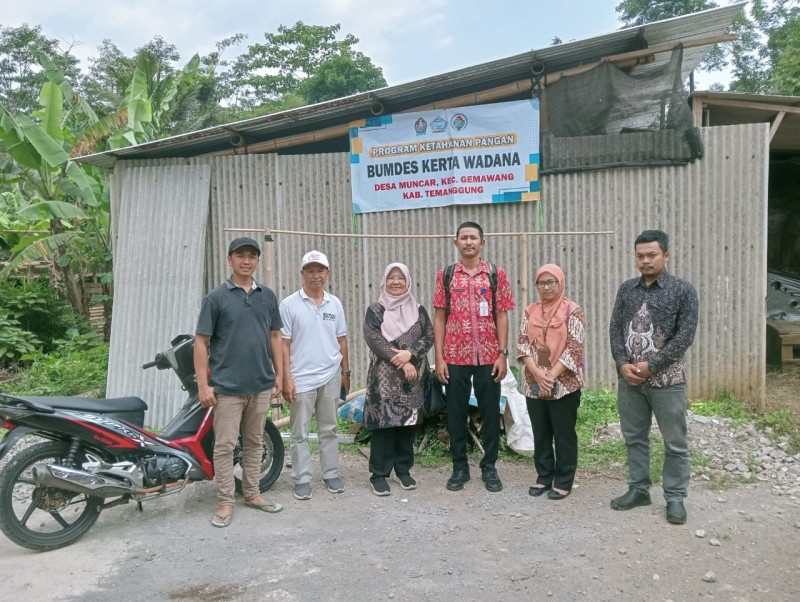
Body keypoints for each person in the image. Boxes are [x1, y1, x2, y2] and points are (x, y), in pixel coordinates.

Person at [609, 229, 699, 525]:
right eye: (640, 256)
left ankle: (675, 498)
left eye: (652, 255)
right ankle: (638, 490)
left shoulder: (683, 291)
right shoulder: (627, 290)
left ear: (666, 255)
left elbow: (685, 336)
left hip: (667, 381)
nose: (645, 261)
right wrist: (622, 364)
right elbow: (615, 328)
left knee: (675, 442)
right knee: (635, 438)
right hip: (630, 381)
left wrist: (653, 365)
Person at [194, 237, 284, 528]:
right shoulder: (216, 298)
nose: (247, 261)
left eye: (252, 256)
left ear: (257, 261)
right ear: (230, 260)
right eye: (240, 255)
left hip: (260, 383)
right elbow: (201, 341)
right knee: (225, 446)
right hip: (228, 387)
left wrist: (279, 375)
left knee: (255, 442)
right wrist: (203, 386)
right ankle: (225, 501)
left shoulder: (267, 296)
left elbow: (275, 336)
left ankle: (252, 494)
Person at [433, 221, 515, 492]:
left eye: (473, 237)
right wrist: (440, 357)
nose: (469, 242)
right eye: (464, 237)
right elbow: (440, 317)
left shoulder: (495, 274)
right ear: (456, 242)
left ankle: (489, 466)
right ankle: (459, 467)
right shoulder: (446, 275)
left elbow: (502, 314)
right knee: (456, 413)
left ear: (482, 242)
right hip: (455, 356)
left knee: (490, 413)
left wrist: (502, 354)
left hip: (489, 357)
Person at [281, 250, 350, 500]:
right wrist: (286, 379)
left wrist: (346, 372)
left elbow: (341, 340)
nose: (315, 275)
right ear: (302, 273)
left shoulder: (335, 303)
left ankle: (331, 474)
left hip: (330, 374)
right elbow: (284, 344)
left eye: (320, 270)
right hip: (301, 377)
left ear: (327, 273)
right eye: (310, 271)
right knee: (299, 431)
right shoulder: (289, 304)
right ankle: (302, 478)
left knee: (329, 428)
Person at [363, 263, 434, 496]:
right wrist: (403, 361)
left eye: (400, 278)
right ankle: (379, 474)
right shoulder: (376, 309)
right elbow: (374, 339)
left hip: (411, 380)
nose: (396, 282)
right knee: (383, 425)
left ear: (407, 281)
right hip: (383, 379)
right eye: (391, 278)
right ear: (384, 281)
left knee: (408, 424)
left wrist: (411, 355)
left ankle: (403, 469)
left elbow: (429, 336)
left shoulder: (419, 310)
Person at [517, 264, 586, 500]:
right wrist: (537, 374)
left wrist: (550, 376)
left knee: (563, 433)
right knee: (541, 432)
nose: (546, 287)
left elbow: (574, 348)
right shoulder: (530, 311)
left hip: (564, 384)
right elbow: (523, 344)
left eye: (551, 282)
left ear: (560, 283)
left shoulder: (572, 311)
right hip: (533, 382)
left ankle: (563, 480)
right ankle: (544, 476)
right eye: (541, 283)